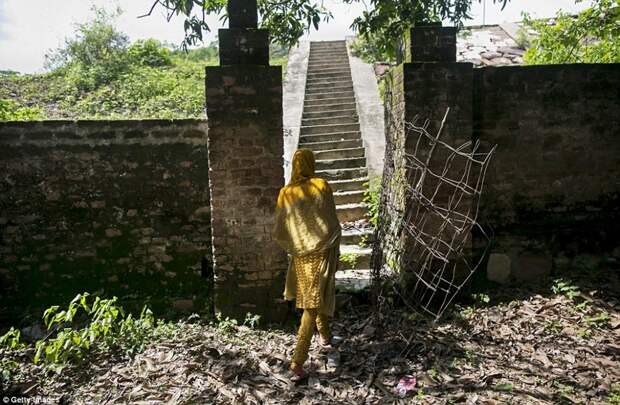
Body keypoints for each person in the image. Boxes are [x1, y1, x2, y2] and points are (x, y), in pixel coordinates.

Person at [272, 148, 342, 382]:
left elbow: (281, 228)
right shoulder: (321, 185)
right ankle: (297, 361)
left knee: (314, 296)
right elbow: (330, 218)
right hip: (321, 250)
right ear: (311, 164)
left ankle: (325, 336)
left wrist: (298, 244)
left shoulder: (285, 193)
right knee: (311, 304)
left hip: (301, 254)